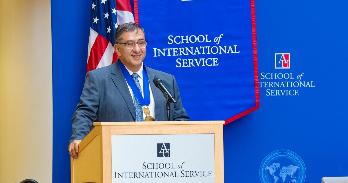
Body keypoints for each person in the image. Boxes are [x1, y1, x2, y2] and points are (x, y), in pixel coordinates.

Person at [68, 22, 189, 158]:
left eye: (141, 43)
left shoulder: (166, 80)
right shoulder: (99, 79)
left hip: (159, 157)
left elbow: (180, 118)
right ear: (117, 49)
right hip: (119, 156)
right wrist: (78, 137)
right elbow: (85, 113)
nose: (137, 49)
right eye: (130, 44)